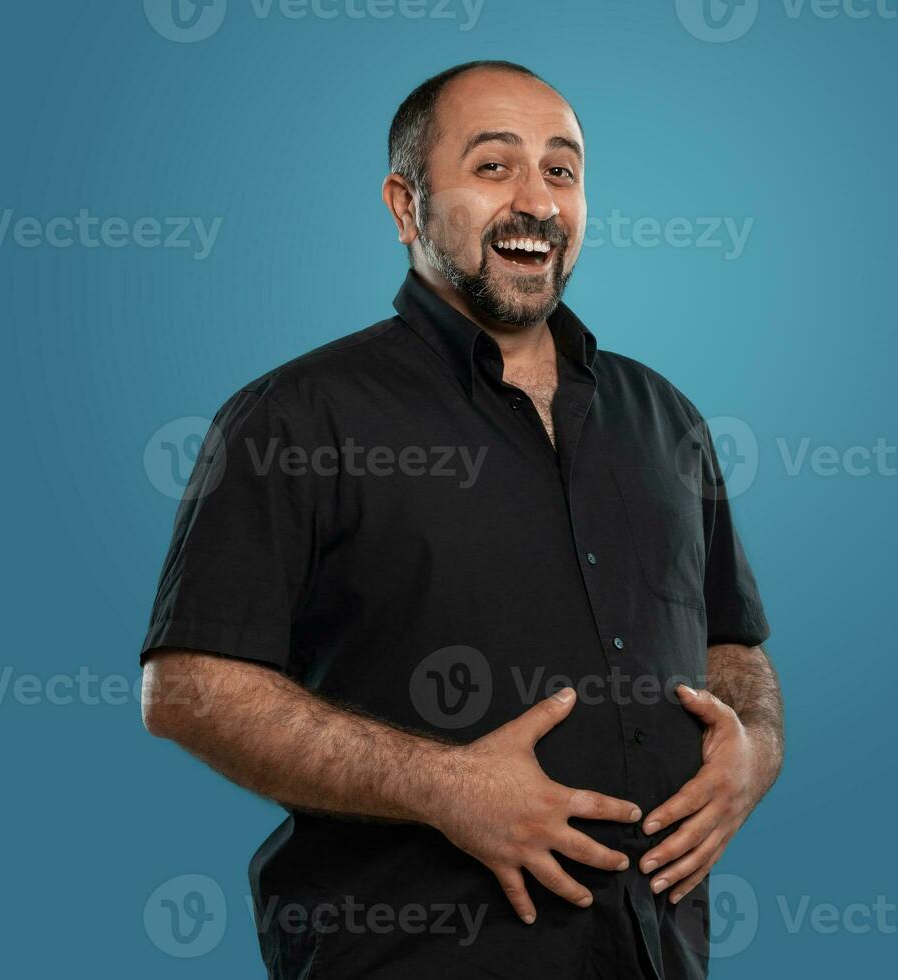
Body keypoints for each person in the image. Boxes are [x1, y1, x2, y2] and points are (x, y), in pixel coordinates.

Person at [140, 59, 784, 979]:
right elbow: (187, 689)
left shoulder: (665, 417)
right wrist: (444, 787)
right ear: (405, 207)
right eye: (494, 167)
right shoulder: (293, 418)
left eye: (561, 171)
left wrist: (753, 751)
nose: (537, 201)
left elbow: (737, 650)